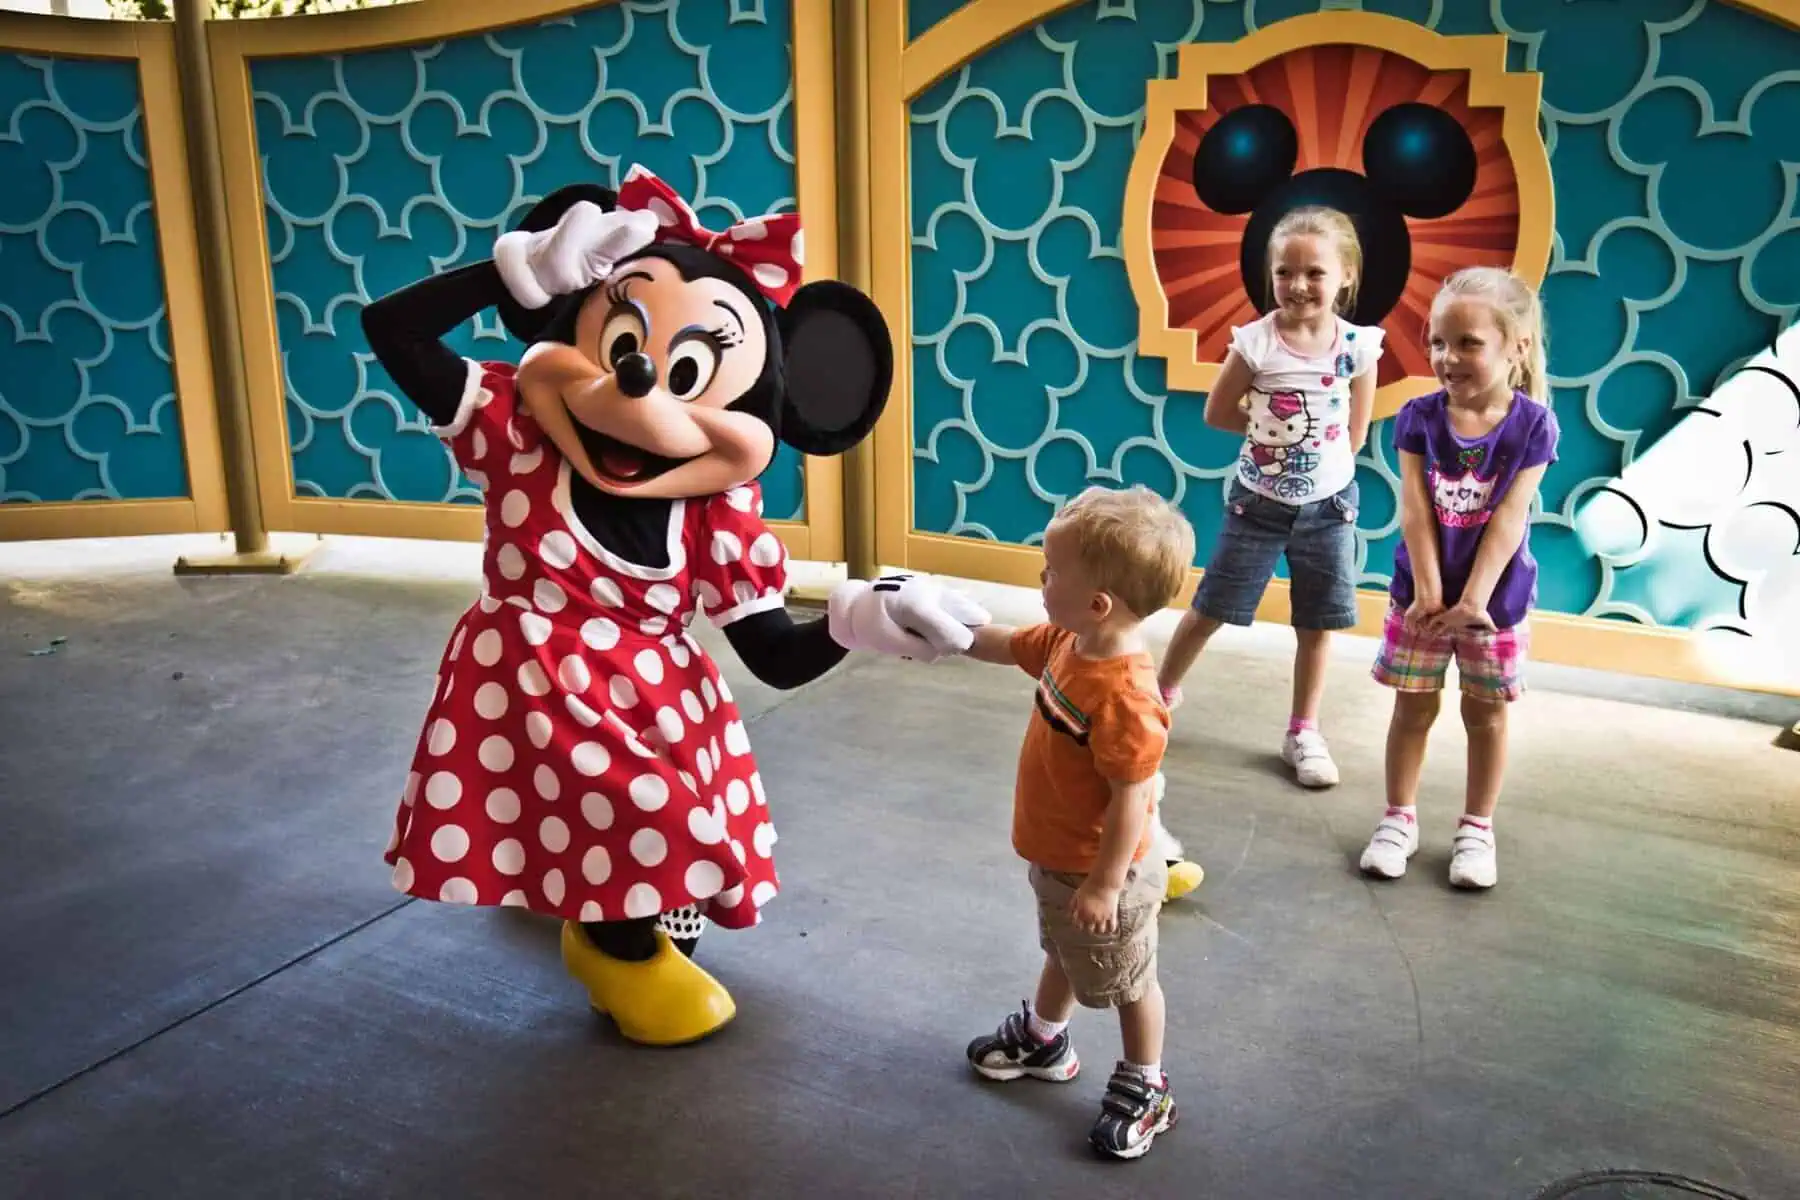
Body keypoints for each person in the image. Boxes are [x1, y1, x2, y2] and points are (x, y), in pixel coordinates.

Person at [361, 165, 986, 1047]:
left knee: (670, 823)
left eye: (691, 371)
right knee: (635, 811)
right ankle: (614, 950)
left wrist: (851, 623)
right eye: (623, 343)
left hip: (659, 698)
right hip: (535, 685)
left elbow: (769, 650)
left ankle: (617, 907)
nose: (641, 390)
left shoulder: (715, 513)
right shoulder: (517, 428)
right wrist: (511, 273)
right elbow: (391, 328)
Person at [959, 484, 1196, 1161]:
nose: (1041, 578)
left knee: (1130, 981)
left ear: (1099, 604)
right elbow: (1008, 645)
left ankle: (1148, 1085)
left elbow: (1132, 800)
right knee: (1061, 949)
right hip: (1060, 855)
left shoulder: (1124, 694)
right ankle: (1044, 1036)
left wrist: (1103, 885)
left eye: (1051, 571)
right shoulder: (1072, 639)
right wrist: (944, 632)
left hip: (1104, 870)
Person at [1155, 206, 1384, 789]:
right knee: (1211, 607)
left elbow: (1355, 432)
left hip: (1330, 509)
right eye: (1285, 272)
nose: (1299, 285)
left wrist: (1319, 453)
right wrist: (1269, 430)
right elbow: (1216, 411)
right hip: (1256, 505)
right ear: (1270, 275)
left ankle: (1304, 730)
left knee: (1318, 621)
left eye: (1315, 273)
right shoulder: (1257, 343)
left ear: (1346, 276)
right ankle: (1157, 697)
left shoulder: (1357, 348)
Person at [1359, 266, 1559, 890]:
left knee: (1486, 715)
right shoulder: (1417, 418)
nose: (1448, 357)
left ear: (1516, 346)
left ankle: (1476, 828)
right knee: (1412, 709)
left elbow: (1508, 518)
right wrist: (1426, 590)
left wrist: (1474, 600)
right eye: (1439, 343)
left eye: (1468, 343)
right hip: (1418, 598)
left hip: (1495, 604)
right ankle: (1398, 819)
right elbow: (1415, 508)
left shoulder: (1533, 426)